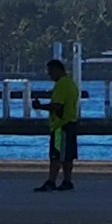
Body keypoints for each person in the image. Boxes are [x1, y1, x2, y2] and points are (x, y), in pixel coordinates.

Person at [36, 53, 81, 192]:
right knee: (67, 156)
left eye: (50, 72)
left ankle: (51, 181)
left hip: (61, 126)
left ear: (57, 70)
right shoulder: (71, 83)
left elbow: (57, 105)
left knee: (56, 155)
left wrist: (40, 106)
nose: (50, 75)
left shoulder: (62, 85)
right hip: (70, 123)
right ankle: (67, 181)